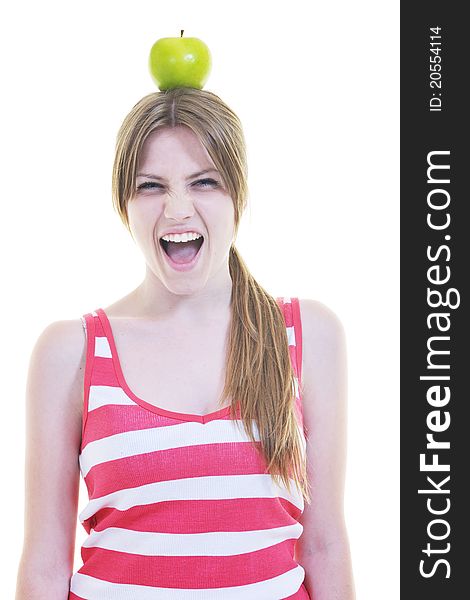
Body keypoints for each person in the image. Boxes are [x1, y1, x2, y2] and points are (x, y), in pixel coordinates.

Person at [15, 86, 355, 599]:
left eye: (204, 182)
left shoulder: (309, 337)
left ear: (237, 195)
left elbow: (324, 545)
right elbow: (44, 563)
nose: (177, 209)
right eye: (151, 186)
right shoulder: (71, 351)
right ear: (123, 203)